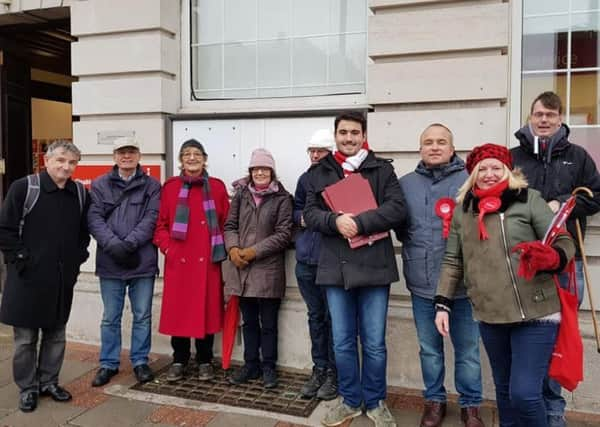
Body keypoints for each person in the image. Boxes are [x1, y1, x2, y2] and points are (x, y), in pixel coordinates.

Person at [434, 143, 575, 427]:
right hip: (491, 315)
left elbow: (563, 240)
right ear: (472, 175)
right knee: (504, 392)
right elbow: (453, 261)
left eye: (495, 168)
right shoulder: (463, 212)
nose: (489, 174)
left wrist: (553, 256)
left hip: (535, 313)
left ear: (507, 171)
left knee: (524, 394)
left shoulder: (529, 200)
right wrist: (442, 304)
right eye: (481, 169)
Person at [304, 112, 406, 427]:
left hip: (375, 265)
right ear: (336, 135)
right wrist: (335, 221)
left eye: (355, 132)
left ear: (363, 135)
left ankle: (375, 402)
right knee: (343, 341)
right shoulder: (319, 172)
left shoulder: (382, 169)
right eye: (343, 132)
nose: (349, 138)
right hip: (336, 268)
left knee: (374, 341)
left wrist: (358, 223)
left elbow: (397, 209)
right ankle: (349, 400)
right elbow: (309, 213)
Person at [512, 91, 600, 427]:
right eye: (539, 114)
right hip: (524, 263)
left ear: (560, 118)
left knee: (557, 336)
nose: (544, 119)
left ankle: (553, 412)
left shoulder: (577, 156)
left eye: (551, 114)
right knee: (525, 334)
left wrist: (563, 205)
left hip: (564, 263)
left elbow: (596, 195)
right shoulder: (513, 156)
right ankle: (525, 407)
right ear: (530, 117)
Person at [397, 124, 483, 427]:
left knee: (468, 351)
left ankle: (470, 405)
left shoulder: (470, 182)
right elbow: (398, 225)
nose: (434, 147)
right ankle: (434, 400)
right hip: (422, 285)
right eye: (428, 142)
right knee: (430, 350)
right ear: (420, 148)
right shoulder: (404, 184)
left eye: (441, 142)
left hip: (464, 288)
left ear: (452, 147)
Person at [0, 140, 90, 412]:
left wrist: (78, 259)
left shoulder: (79, 193)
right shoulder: (24, 188)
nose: (66, 166)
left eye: (72, 162)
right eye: (61, 160)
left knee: (56, 335)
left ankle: (49, 381)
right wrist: (21, 259)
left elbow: (83, 233)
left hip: (62, 278)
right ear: (46, 161)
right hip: (27, 278)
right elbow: (5, 229)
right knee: (26, 339)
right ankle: (28, 388)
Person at [153, 139, 230, 382]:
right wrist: (169, 249)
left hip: (207, 261)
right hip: (180, 262)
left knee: (205, 311)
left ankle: (205, 360)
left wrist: (221, 250)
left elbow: (227, 223)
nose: (192, 158)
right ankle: (179, 359)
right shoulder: (171, 187)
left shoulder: (216, 187)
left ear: (205, 159)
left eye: (197, 154)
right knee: (179, 312)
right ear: (181, 160)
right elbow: (160, 226)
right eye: (187, 154)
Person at [87, 137, 161, 387]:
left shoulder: (152, 185)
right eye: (121, 152)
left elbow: (152, 218)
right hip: (110, 261)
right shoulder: (99, 184)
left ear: (139, 155)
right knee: (110, 317)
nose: (126, 156)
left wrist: (129, 244)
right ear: (114, 156)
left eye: (131, 152)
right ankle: (108, 363)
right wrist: (114, 245)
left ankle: (140, 361)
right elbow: (94, 219)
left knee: (142, 316)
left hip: (142, 260)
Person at [223, 148, 293, 389]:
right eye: (256, 169)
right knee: (249, 322)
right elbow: (230, 225)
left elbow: (284, 234)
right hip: (241, 269)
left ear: (272, 172)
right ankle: (250, 364)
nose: (260, 172)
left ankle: (269, 367)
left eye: (264, 169)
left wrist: (254, 251)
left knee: (269, 323)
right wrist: (233, 250)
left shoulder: (283, 198)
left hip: (268, 271)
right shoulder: (241, 195)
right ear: (250, 172)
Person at [293, 129, 337, 400]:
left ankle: (334, 372)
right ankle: (319, 368)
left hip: (331, 261)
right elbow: (296, 208)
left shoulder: (340, 178)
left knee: (335, 321)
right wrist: (305, 218)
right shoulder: (305, 178)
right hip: (306, 260)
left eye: (320, 151)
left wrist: (320, 218)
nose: (315, 155)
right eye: (312, 151)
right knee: (315, 318)